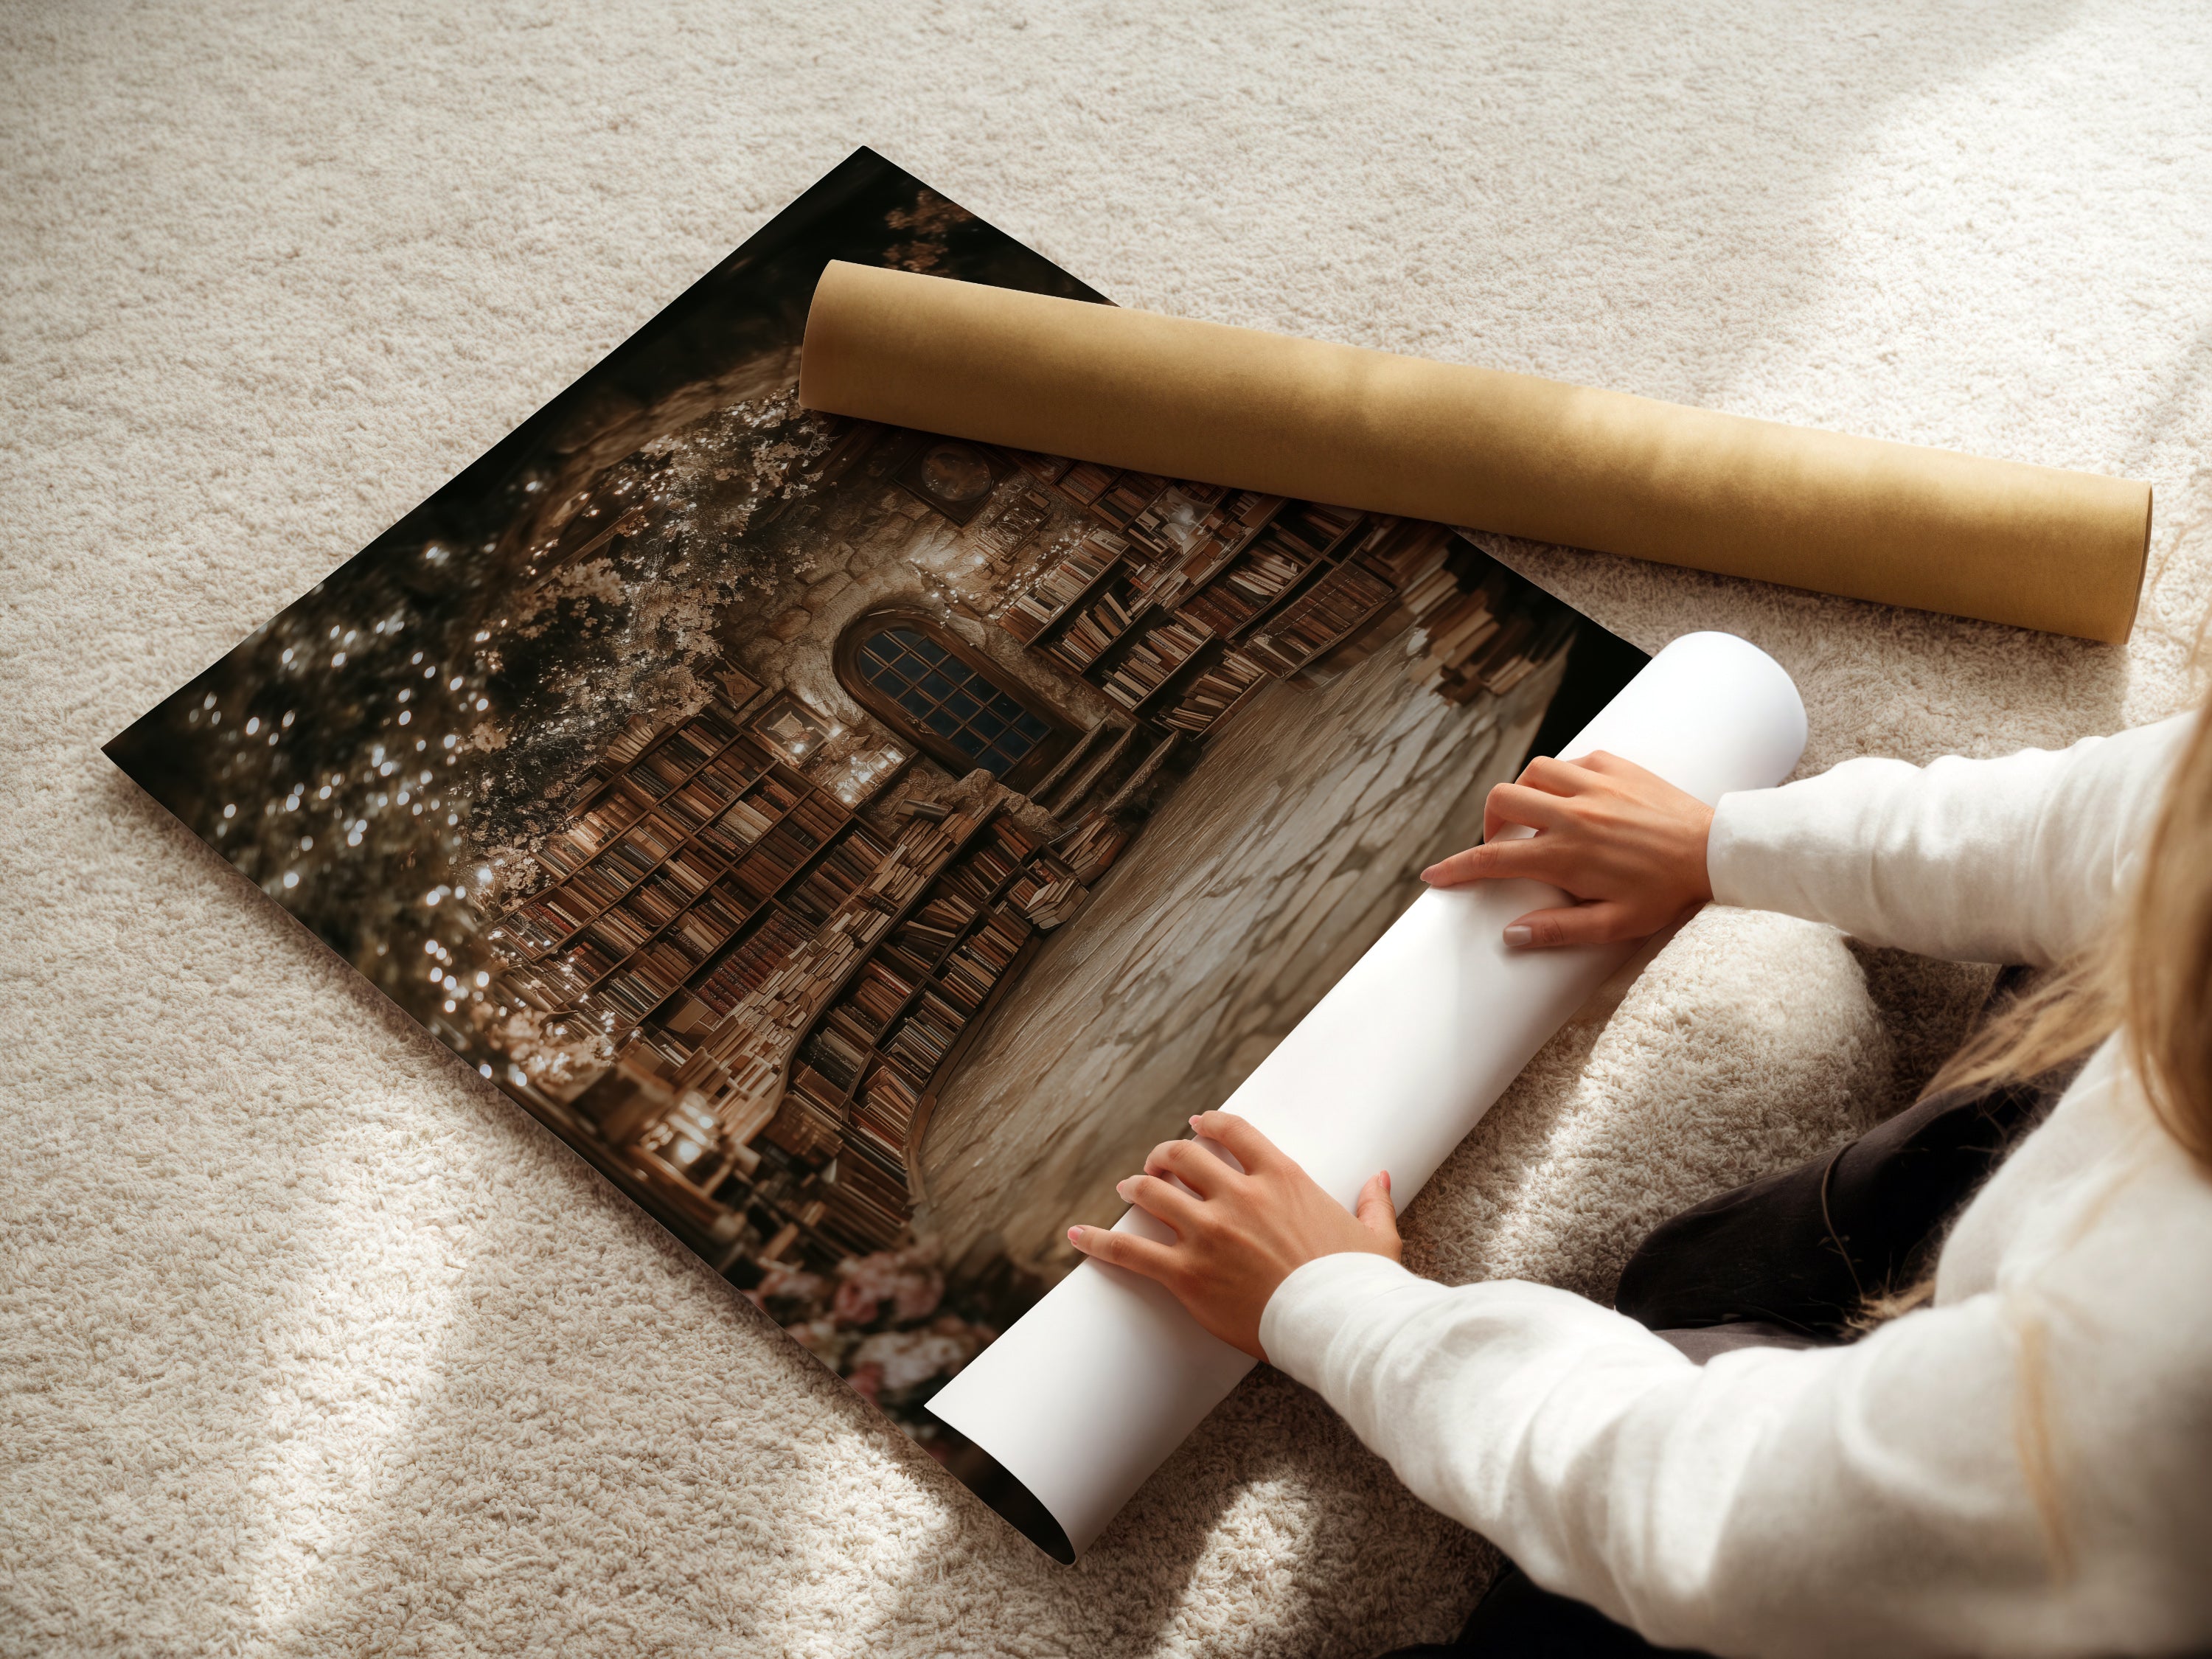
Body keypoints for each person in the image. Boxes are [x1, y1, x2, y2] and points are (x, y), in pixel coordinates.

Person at [1066, 709, 2212, 1657]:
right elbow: (2124, 818)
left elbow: (1720, 1512)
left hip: (2048, 1556)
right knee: (1705, 1271)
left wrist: (1337, 1307)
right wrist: (1721, 841)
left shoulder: (2159, 1372)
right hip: (2058, 1320)